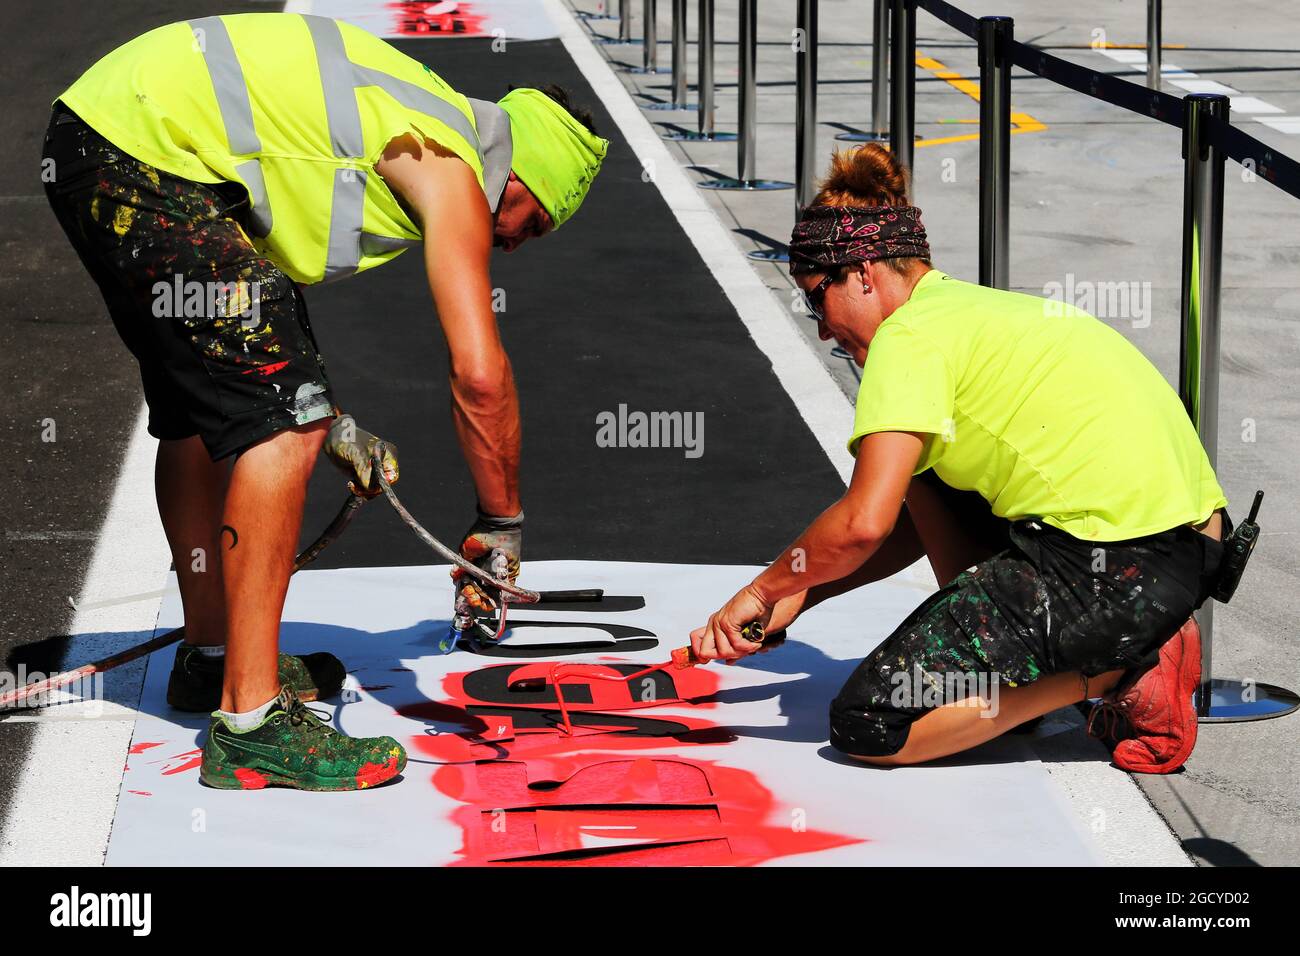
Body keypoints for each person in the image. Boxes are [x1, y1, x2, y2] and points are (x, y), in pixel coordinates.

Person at [42, 12, 608, 791]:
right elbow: (481, 374)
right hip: (145, 150)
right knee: (283, 426)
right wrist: (499, 524)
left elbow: (256, 331)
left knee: (203, 418)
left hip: (104, 136)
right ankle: (249, 721)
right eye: (531, 223)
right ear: (517, 180)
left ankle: (214, 658)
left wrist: (327, 415)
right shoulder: (452, 163)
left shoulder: (409, 113)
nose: (513, 242)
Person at [689, 144, 1229, 775]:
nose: (822, 329)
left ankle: (1117, 672)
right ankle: (1092, 655)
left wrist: (760, 591)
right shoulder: (965, 311)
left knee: (871, 724)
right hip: (1182, 548)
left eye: (816, 299)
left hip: (1118, 569)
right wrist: (799, 597)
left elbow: (862, 523)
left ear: (862, 272)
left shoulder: (905, 340)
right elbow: (905, 525)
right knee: (927, 480)